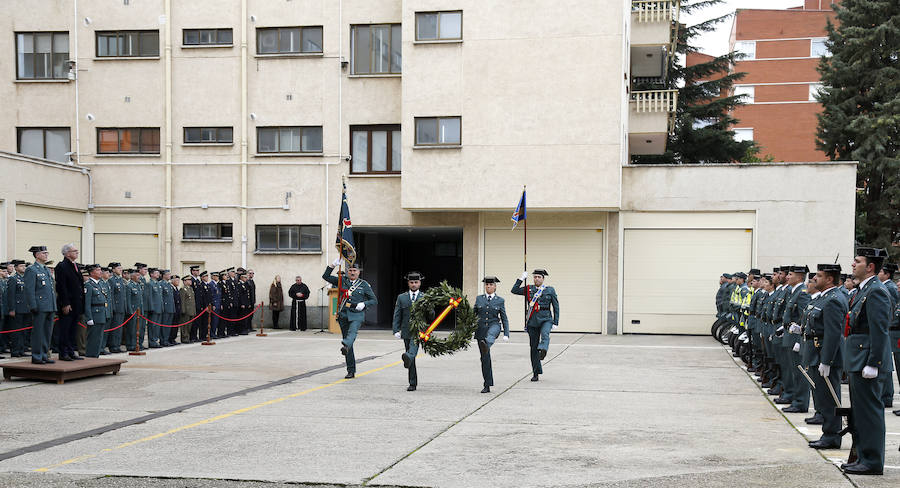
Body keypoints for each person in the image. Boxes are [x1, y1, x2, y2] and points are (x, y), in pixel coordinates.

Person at [841, 247, 893, 475]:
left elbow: (879, 330)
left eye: (857, 261)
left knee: (870, 412)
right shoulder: (863, 290)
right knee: (860, 412)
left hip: (867, 361)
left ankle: (872, 460)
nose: (853, 265)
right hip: (857, 359)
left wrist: (874, 363)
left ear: (870, 267)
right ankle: (862, 455)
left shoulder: (876, 291)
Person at [805, 264, 848, 449]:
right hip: (817, 353)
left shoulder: (834, 299)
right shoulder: (825, 297)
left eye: (819, 275)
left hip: (825, 355)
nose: (815, 278)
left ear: (829, 279)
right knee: (823, 397)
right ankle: (828, 433)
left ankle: (832, 436)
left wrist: (826, 360)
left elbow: (833, 333)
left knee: (830, 398)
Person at [323, 259, 377, 379]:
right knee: (348, 346)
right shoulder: (342, 281)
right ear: (347, 271)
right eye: (350, 270)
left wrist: (364, 304)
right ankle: (351, 370)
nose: (352, 272)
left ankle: (346, 344)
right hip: (343, 314)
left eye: (355, 270)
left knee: (351, 334)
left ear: (359, 272)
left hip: (357, 314)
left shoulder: (364, 285)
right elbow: (325, 276)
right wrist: (333, 265)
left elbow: (374, 300)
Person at [512, 268, 559, 381]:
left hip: (546, 318)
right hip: (533, 321)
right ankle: (536, 372)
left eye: (539, 277)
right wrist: (520, 279)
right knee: (533, 348)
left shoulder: (550, 290)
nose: (536, 279)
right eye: (535, 277)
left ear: (543, 279)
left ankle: (543, 350)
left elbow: (556, 306)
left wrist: (556, 321)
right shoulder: (528, 289)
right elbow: (514, 290)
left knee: (545, 334)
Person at [782, 265, 811, 414]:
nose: (787, 277)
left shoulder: (802, 293)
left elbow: (804, 317)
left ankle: (800, 402)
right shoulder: (794, 292)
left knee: (800, 372)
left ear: (799, 277)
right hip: (789, 335)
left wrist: (800, 340)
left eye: (790, 274)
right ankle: (795, 399)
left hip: (796, 338)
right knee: (793, 371)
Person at [474, 276, 510, 393]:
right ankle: (487, 384)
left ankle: (487, 343)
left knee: (490, 336)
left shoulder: (500, 300)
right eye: (487, 285)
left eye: (491, 285)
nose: (488, 286)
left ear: (495, 287)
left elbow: (504, 318)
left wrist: (506, 333)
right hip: (481, 329)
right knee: (485, 358)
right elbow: (473, 315)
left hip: (494, 325)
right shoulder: (479, 299)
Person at [393, 272, 425, 391]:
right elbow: (397, 314)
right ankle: (412, 382)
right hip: (406, 331)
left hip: (419, 331)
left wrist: (430, 307)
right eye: (411, 282)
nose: (414, 284)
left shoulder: (424, 297)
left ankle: (408, 357)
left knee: (412, 351)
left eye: (416, 282)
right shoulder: (402, 297)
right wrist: (396, 329)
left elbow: (431, 316)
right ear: (408, 283)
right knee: (411, 358)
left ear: (420, 283)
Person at [54, 243, 83, 361]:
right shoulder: (62, 266)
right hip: (67, 304)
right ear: (67, 253)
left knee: (73, 329)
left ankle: (71, 351)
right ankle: (63, 352)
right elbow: (61, 287)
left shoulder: (74, 265)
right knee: (65, 329)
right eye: (74, 251)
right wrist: (65, 303)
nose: (77, 252)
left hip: (76, 303)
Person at [877, 263, 898, 409]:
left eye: (881, 272)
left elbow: (890, 308)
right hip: (890, 329)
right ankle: (886, 395)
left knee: (886, 364)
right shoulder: (886, 286)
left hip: (892, 328)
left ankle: (887, 396)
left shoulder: (888, 287)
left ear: (887, 274)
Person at [82, 264, 109, 358]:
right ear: (92, 272)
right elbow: (87, 303)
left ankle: (95, 355)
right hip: (94, 314)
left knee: (99, 338)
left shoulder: (99, 284)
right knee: (93, 338)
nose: (100, 272)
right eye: (98, 270)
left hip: (101, 314)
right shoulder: (88, 285)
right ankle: (91, 356)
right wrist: (89, 318)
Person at [5, 259, 30, 358]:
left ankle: (22, 349)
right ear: (16, 268)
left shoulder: (26, 278)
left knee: (24, 331)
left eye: (24, 266)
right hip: (17, 309)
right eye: (21, 266)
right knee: (16, 331)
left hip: (26, 309)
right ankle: (15, 351)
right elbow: (10, 296)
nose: (23, 268)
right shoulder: (13, 279)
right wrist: (11, 309)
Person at [106, 263, 126, 354]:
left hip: (121, 307)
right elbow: (111, 295)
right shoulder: (112, 280)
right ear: (113, 270)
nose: (120, 269)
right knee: (114, 328)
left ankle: (117, 345)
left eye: (121, 268)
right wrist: (113, 307)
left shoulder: (121, 280)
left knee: (119, 328)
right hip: (116, 308)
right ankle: (113, 346)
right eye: (118, 268)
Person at [124, 269, 142, 351]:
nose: (139, 277)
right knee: (131, 329)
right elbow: (128, 300)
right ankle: (130, 345)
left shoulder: (138, 285)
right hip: (132, 311)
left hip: (138, 311)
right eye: (137, 275)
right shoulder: (129, 286)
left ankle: (135, 344)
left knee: (137, 329)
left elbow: (140, 300)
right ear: (132, 276)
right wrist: (130, 311)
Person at [180, 276, 197, 343]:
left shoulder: (191, 289)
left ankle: (188, 337)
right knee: (185, 325)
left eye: (190, 280)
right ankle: (184, 338)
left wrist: (194, 310)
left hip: (191, 310)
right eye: (188, 280)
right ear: (184, 281)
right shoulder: (183, 289)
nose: (190, 281)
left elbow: (193, 301)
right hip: (186, 310)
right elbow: (182, 301)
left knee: (189, 325)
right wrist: (183, 310)